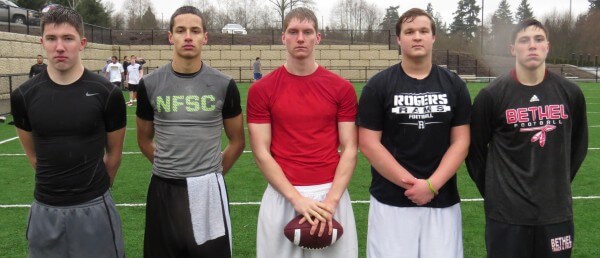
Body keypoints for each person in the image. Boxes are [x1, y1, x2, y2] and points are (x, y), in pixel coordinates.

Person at [10, 6, 126, 258]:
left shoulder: (108, 94)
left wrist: (91, 191)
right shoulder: (23, 96)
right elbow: (33, 156)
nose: (59, 47)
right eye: (52, 38)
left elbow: (114, 155)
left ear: (82, 43)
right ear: (42, 42)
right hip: (45, 209)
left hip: (94, 208)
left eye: (68, 38)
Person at [466, 18, 588, 258]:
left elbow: (578, 146)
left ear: (547, 46)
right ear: (513, 48)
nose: (532, 45)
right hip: (506, 217)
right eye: (524, 40)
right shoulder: (491, 96)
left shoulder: (571, 93)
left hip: (555, 215)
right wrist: (497, 194)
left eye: (538, 39)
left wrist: (556, 186)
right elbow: (475, 153)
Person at [356, 8, 471, 258]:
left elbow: (461, 142)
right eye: (409, 32)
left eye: (423, 31)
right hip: (391, 201)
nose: (416, 37)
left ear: (433, 38)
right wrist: (412, 185)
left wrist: (431, 185)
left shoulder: (454, 85)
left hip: (442, 200)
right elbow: (368, 143)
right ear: (398, 39)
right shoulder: (378, 85)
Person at [247, 7, 359, 258]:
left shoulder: (342, 88)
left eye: (307, 32)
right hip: (283, 196)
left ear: (317, 38)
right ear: (283, 37)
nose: (300, 38)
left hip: (331, 195)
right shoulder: (261, 90)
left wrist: (330, 203)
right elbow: (261, 151)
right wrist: (296, 199)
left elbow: (350, 148)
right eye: (293, 31)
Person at [136, 6, 245, 258]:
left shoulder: (223, 84)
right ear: (170, 36)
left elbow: (237, 141)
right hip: (163, 187)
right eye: (181, 30)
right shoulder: (149, 84)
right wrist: (169, 166)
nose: (188, 36)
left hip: (207, 187)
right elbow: (143, 138)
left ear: (205, 37)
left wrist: (210, 172)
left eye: (195, 30)